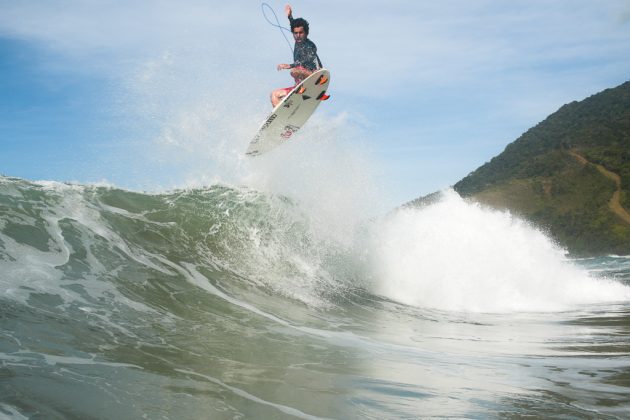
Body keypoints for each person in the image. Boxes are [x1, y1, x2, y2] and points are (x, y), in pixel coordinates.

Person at [270, 4, 322, 107]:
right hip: (300, 87)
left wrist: (291, 65)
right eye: (295, 33)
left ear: (306, 33)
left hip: (314, 77)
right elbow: (294, 25)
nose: (298, 35)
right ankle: (283, 116)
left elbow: (307, 58)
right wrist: (290, 16)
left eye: (301, 33)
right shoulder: (297, 40)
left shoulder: (310, 45)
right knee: (274, 95)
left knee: (295, 71)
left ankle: (305, 86)